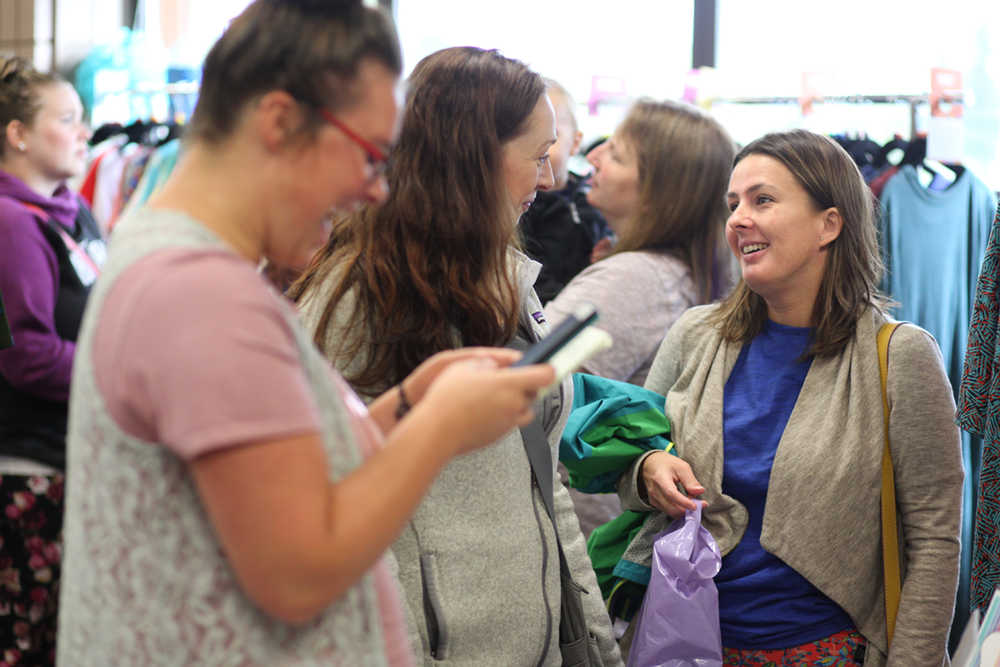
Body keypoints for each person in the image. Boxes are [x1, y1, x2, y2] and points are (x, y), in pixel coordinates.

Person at [56, 4, 555, 666]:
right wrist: (440, 426)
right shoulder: (201, 294)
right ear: (281, 122)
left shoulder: (174, 256)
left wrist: (401, 411)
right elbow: (297, 572)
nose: (376, 190)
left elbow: (273, 480)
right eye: (371, 154)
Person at [291, 46, 622, 667]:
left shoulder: (506, 280)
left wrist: (594, 639)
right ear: (477, 159)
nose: (551, 179)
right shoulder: (360, 300)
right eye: (538, 155)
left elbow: (540, 480)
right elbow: (337, 506)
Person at [623, 129, 962, 665]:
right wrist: (646, 466)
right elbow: (629, 455)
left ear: (829, 223)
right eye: (733, 204)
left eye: (763, 200)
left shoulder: (900, 356)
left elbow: (935, 539)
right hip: (684, 644)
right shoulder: (694, 335)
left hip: (829, 651)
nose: (737, 219)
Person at [0, 56, 101, 665]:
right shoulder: (10, 223)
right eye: (68, 119)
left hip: (72, 463)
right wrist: (120, 375)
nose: (85, 133)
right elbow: (26, 355)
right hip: (26, 472)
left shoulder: (74, 209)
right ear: (18, 134)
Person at [545, 98, 734, 386]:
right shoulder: (673, 271)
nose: (594, 157)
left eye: (616, 156)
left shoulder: (637, 278)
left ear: (658, 196)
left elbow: (525, 381)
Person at [519, 78, 611, 304]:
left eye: (552, 137)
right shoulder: (525, 206)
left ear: (576, 142)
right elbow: (531, 274)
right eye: (529, 138)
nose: (541, 148)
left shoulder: (590, 193)